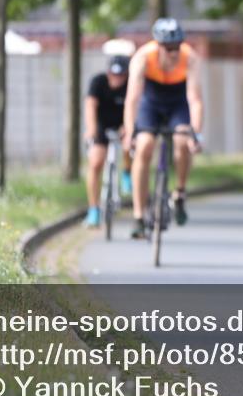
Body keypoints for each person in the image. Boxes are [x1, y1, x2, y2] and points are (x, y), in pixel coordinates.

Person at [123, 18, 204, 239]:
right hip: (151, 103)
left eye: (177, 46)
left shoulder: (190, 58)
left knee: (182, 141)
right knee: (144, 145)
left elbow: (195, 99)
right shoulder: (142, 58)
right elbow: (132, 98)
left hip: (178, 103)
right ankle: (139, 216)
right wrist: (130, 131)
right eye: (168, 48)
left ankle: (179, 192)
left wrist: (195, 133)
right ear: (157, 45)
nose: (173, 52)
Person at [84, 56, 130, 227]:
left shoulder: (131, 84)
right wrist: (91, 129)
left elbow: (136, 106)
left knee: (129, 145)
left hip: (123, 122)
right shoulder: (98, 82)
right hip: (101, 124)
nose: (117, 79)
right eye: (113, 74)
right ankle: (94, 209)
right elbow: (90, 106)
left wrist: (128, 127)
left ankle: (127, 172)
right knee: (96, 162)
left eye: (121, 75)